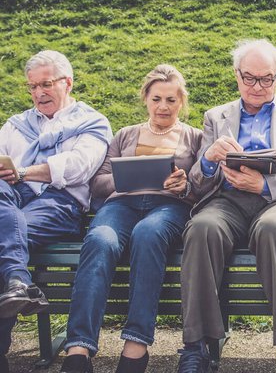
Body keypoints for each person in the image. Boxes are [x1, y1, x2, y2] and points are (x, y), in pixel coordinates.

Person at [177, 39, 276, 373]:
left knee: (273, 229)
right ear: (236, 75)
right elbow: (199, 181)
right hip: (228, 200)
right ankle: (196, 346)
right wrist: (209, 159)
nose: (257, 86)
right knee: (201, 228)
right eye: (249, 78)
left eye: (266, 79)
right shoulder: (216, 116)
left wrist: (265, 185)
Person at [59, 64, 202, 373]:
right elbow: (98, 182)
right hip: (122, 204)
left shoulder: (194, 137)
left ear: (182, 102)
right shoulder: (125, 135)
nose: (163, 106)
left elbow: (203, 187)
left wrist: (185, 185)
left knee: (148, 234)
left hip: (168, 207)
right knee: (100, 240)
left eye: (171, 100)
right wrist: (126, 178)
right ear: (145, 99)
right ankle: (78, 348)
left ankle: (136, 345)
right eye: (156, 99)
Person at [0, 50, 112, 371]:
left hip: (59, 204)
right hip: (11, 199)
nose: (39, 93)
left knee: (5, 235)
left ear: (68, 82)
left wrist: (22, 172)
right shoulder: (16, 125)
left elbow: (76, 168)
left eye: (46, 84)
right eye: (32, 87)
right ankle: (18, 283)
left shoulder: (91, 123)